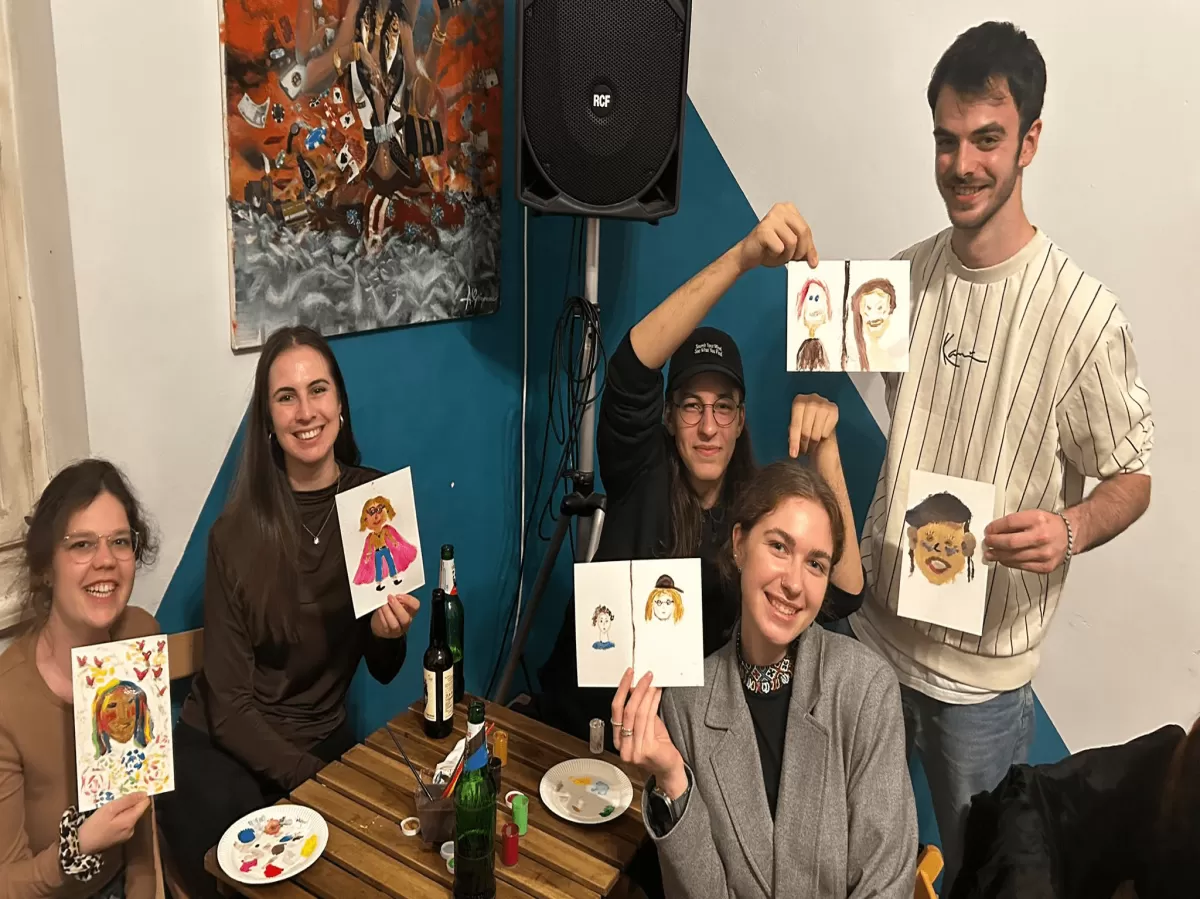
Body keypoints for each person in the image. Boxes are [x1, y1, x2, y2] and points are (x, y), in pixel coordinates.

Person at [847, 21, 1154, 890]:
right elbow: (821, 330)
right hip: (872, 639)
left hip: (981, 681)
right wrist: (792, 270)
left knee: (984, 875)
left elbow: (1132, 473)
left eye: (986, 139)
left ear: (1031, 140)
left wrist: (1072, 526)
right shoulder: (902, 278)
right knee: (860, 861)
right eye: (946, 140)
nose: (962, 164)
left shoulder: (1084, 315)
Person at [535, 204, 866, 749]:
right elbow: (630, 370)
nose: (708, 427)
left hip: (685, 744)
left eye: (723, 409)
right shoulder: (639, 470)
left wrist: (826, 449)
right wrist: (742, 258)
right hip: (582, 723)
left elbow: (846, 592)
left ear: (740, 422)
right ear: (668, 417)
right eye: (691, 406)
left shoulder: (757, 510)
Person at [158, 326, 420, 899]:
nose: (306, 411)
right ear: (269, 421)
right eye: (286, 397)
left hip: (319, 741)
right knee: (258, 883)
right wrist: (313, 778)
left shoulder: (373, 506)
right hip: (222, 749)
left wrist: (387, 632)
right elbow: (228, 709)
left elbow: (382, 665)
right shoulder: (236, 534)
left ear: (340, 405)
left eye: (318, 390)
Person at [613, 460, 917, 899]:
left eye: (815, 564)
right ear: (739, 545)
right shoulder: (686, 702)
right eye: (779, 547)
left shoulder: (864, 688)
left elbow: (887, 882)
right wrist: (672, 779)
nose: (794, 583)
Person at [0, 458, 163, 899]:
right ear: (47, 567)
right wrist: (80, 846)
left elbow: (142, 815)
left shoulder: (139, 639)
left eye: (119, 542)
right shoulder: (8, 699)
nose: (106, 561)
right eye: (81, 545)